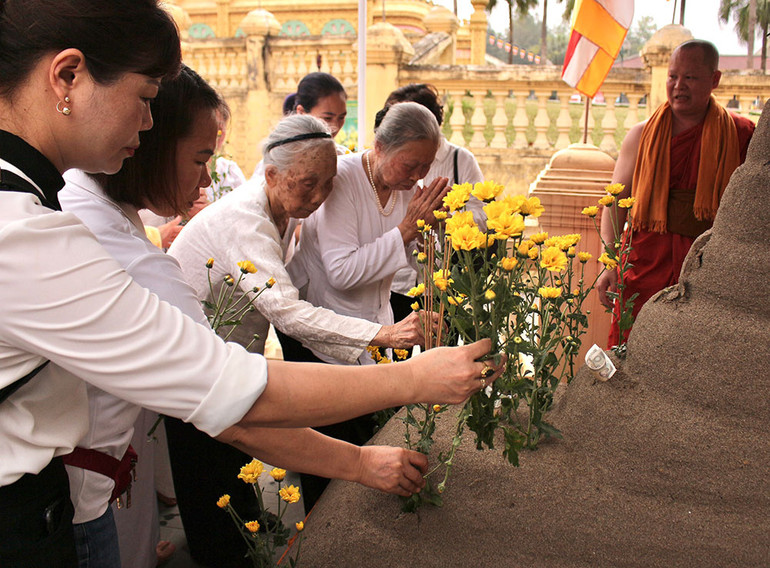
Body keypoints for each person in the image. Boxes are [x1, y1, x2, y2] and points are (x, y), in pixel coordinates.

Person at [0, 2, 503, 565]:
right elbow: (233, 386)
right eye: (145, 100)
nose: (145, 125)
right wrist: (409, 381)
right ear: (67, 77)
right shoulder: (31, 235)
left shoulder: (58, 205)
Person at [596, 39, 755, 347]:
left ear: (715, 80)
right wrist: (609, 263)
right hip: (644, 263)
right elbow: (614, 205)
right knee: (632, 349)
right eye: (673, 77)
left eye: (691, 78)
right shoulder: (641, 136)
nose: (679, 86)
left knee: (697, 354)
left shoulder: (741, 134)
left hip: (707, 268)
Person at [375, 84, 485, 330]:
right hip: (395, 283)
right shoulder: (385, 163)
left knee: (439, 354)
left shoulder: (460, 160)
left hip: (442, 282)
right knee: (392, 354)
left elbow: (483, 217)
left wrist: (446, 216)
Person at [252, 72, 349, 179]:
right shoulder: (278, 162)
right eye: (327, 118)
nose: (335, 126)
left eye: (341, 118)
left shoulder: (344, 158)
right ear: (301, 112)